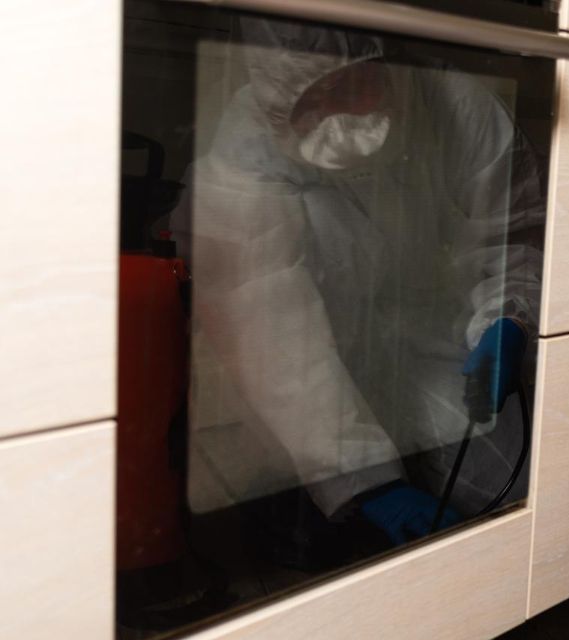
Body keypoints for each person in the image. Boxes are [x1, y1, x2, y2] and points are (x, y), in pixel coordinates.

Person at [177, 18, 543, 547]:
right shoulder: (246, 154)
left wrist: (508, 315)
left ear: (380, 59)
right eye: (313, 99)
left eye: (350, 85)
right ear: (276, 102)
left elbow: (511, 235)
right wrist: (362, 480)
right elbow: (266, 320)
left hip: (431, 332)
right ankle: (311, 497)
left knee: (523, 486)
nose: (339, 116)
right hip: (312, 351)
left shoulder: (458, 108)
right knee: (312, 508)